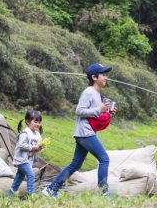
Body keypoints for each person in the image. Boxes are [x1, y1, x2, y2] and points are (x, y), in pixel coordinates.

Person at [43, 62, 116, 198]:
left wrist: (109, 113)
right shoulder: (88, 92)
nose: (106, 78)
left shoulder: (97, 94)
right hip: (85, 133)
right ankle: (105, 192)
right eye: (103, 75)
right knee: (104, 159)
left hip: (85, 132)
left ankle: (51, 189)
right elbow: (79, 111)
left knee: (76, 164)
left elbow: (96, 116)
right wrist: (98, 109)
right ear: (94, 77)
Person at [8, 110, 44, 198]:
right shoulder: (25, 133)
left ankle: (9, 196)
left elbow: (36, 147)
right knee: (31, 174)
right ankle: (31, 196)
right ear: (28, 122)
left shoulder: (37, 134)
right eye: (35, 122)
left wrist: (40, 147)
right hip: (21, 160)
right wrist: (33, 147)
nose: (38, 124)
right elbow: (21, 145)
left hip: (28, 160)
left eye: (39, 122)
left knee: (18, 179)